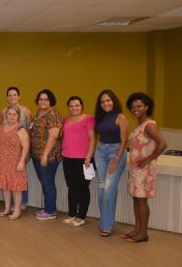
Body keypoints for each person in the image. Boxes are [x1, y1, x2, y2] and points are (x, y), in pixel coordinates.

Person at [123, 93, 167, 243]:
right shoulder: (140, 124)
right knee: (136, 199)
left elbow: (163, 144)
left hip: (144, 169)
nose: (136, 109)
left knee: (142, 201)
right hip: (136, 168)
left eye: (139, 106)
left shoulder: (149, 125)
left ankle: (143, 233)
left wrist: (148, 159)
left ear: (146, 107)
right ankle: (137, 229)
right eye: (133, 107)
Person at [94, 89, 129, 237]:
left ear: (113, 101)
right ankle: (104, 223)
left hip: (116, 153)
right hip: (100, 152)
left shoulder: (120, 117)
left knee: (109, 190)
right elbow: (95, 136)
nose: (105, 103)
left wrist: (116, 160)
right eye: (102, 102)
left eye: (108, 100)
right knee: (102, 190)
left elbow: (124, 141)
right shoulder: (100, 117)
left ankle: (107, 225)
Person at [61, 96, 95, 227]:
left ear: (82, 106)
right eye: (71, 106)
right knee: (71, 187)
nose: (74, 108)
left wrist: (88, 156)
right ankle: (72, 214)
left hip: (83, 159)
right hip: (68, 158)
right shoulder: (66, 119)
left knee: (83, 188)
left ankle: (81, 216)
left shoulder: (88, 119)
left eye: (77, 105)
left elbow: (92, 139)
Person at [29, 89, 62, 220]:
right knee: (44, 181)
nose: (43, 101)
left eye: (46, 99)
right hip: (37, 154)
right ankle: (49, 207)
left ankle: (50, 211)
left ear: (51, 101)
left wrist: (44, 155)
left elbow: (53, 137)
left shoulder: (53, 114)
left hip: (48, 155)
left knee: (47, 182)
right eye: (41, 99)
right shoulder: (39, 112)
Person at [0, 106, 29, 220]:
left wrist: (21, 162)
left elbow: (25, 147)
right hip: (2, 162)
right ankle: (7, 208)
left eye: (14, 114)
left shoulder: (21, 129)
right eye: (9, 114)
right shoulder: (1, 127)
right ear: (6, 115)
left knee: (16, 188)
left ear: (18, 116)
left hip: (15, 163)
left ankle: (17, 210)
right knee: (5, 187)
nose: (12, 116)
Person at [6, 86, 32, 209]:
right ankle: (13, 203)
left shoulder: (26, 110)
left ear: (19, 96)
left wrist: (27, 151)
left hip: (22, 147)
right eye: (10, 95)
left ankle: (23, 202)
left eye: (15, 95)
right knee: (10, 175)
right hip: (9, 149)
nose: (12, 97)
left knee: (20, 175)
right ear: (7, 97)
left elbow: (29, 129)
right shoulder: (4, 110)